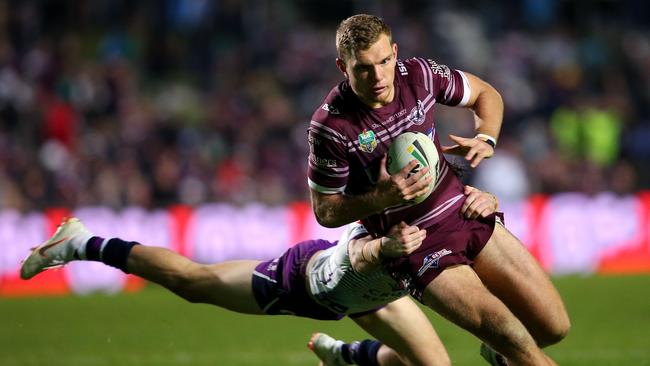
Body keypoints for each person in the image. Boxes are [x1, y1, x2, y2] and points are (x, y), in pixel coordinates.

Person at [307, 14, 569, 365]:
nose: (379, 76)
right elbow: (326, 211)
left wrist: (485, 137)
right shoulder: (331, 127)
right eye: (364, 68)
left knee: (552, 328)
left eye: (385, 61)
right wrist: (383, 197)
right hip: (417, 247)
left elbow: (485, 94)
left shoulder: (419, 75)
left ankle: (500, 355)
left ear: (395, 52)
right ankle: (508, 350)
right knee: (515, 338)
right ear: (343, 66)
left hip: (465, 212)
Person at [21, 186, 497, 366]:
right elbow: (359, 256)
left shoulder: (445, 219)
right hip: (312, 282)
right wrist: (384, 249)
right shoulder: (391, 232)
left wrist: (487, 202)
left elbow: (481, 265)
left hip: (374, 295)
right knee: (193, 283)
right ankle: (83, 243)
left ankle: (348, 357)